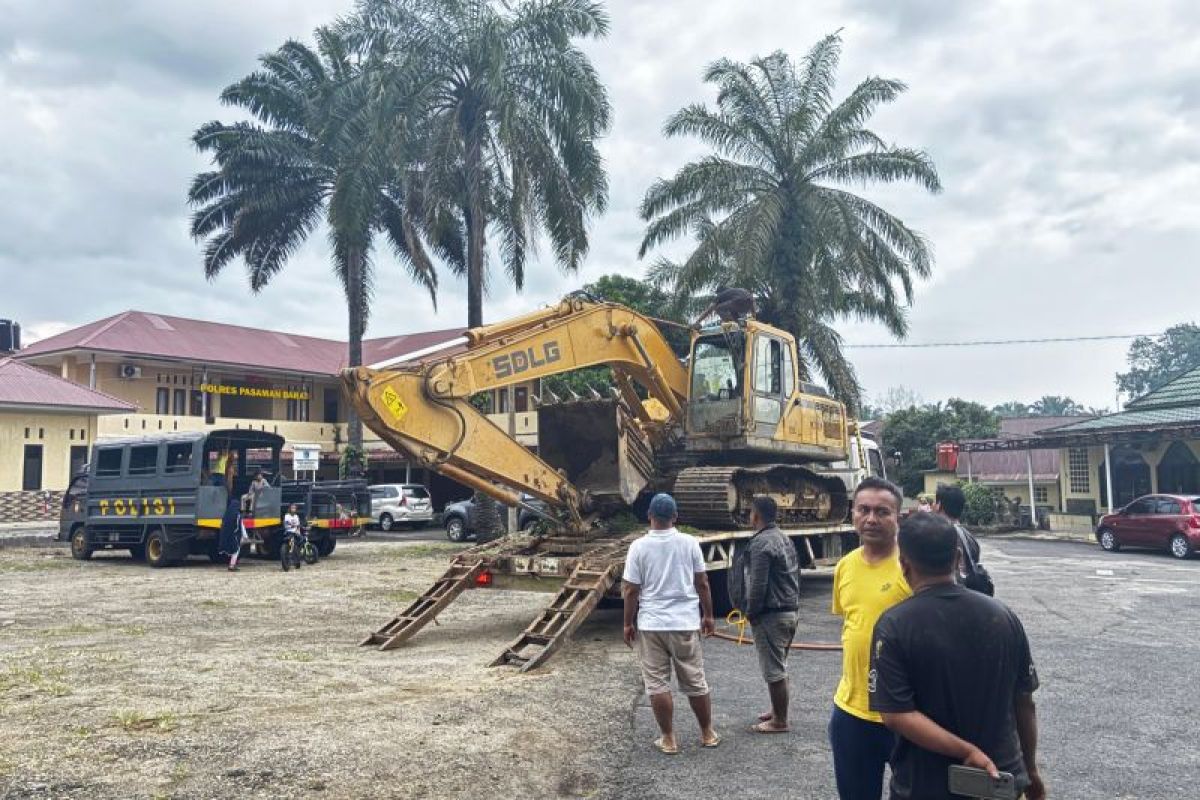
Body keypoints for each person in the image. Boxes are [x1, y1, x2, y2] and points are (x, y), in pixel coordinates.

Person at [869, 512, 1044, 800]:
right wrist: (1031, 771)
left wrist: (966, 751)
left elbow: (897, 715)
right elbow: (1024, 702)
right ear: (958, 557)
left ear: (904, 564)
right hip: (1000, 779)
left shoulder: (894, 625)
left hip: (926, 786)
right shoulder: (1002, 616)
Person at [829, 477, 912, 800]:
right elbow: (853, 623)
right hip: (851, 712)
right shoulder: (845, 566)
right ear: (852, 513)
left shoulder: (913, 567)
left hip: (908, 714)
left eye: (882, 511)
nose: (871, 519)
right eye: (863, 510)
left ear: (898, 518)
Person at [622, 493, 719, 754]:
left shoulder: (638, 547)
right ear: (675, 517)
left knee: (657, 684)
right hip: (685, 623)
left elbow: (631, 590)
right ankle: (707, 733)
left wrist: (627, 623)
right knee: (695, 680)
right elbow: (702, 583)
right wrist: (708, 615)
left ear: (649, 516)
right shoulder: (689, 543)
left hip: (652, 624)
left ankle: (668, 738)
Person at [729, 496, 799, 733]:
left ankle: (780, 721)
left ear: (756, 515)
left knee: (774, 669)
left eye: (750, 513)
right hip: (790, 611)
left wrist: (751, 611)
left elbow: (757, 584)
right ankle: (777, 710)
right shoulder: (783, 538)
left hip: (771, 615)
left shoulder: (761, 544)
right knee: (780, 664)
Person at [934, 483, 994, 596]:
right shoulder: (969, 536)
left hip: (952, 595)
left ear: (939, 505)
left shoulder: (943, 534)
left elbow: (959, 572)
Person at [219, 496, 244, 572]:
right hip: (234, 535)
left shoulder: (226, 514)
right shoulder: (237, 514)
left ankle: (231, 564)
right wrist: (243, 535)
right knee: (236, 550)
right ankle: (232, 566)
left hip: (225, 535)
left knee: (231, 549)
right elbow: (239, 526)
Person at [283, 503, 302, 567]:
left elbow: (298, 525)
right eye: (292, 508)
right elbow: (287, 522)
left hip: (295, 532)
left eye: (294, 508)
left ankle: (297, 560)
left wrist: (298, 531)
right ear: (289, 509)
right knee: (291, 544)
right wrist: (292, 525)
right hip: (288, 532)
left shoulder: (296, 516)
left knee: (299, 543)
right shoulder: (287, 516)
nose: (293, 509)